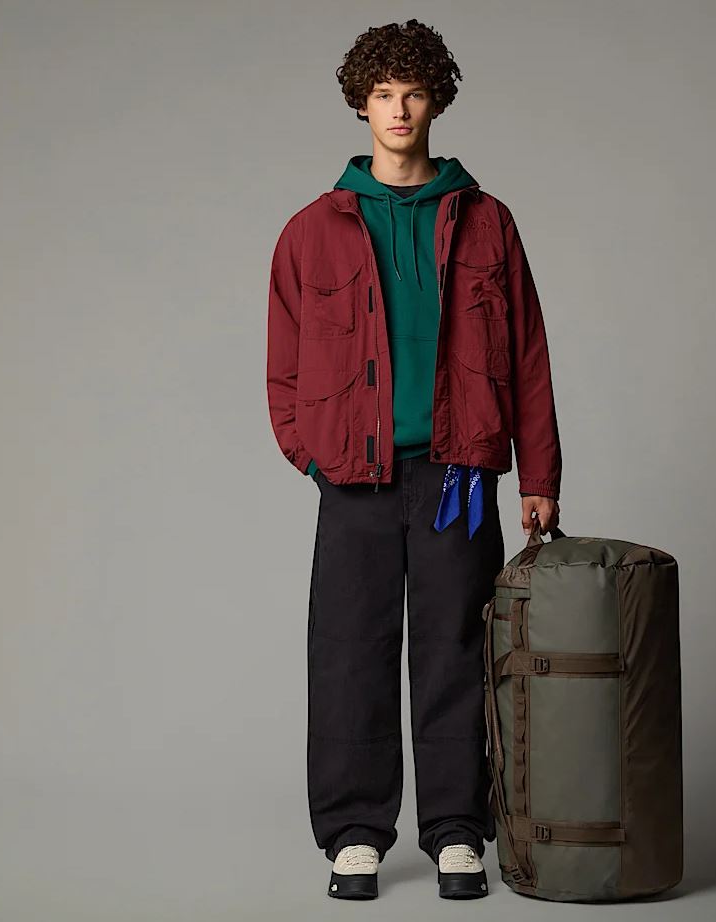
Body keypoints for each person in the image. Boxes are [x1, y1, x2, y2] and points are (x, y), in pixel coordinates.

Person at [266, 18, 562, 901]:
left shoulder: (488, 221)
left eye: (415, 93)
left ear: (438, 103)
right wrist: (311, 456)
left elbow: (529, 355)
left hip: (456, 476)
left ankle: (457, 831)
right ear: (361, 105)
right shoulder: (311, 230)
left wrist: (539, 475)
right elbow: (283, 364)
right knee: (348, 655)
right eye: (383, 94)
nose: (398, 110)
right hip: (354, 480)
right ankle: (355, 834)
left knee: (455, 654)